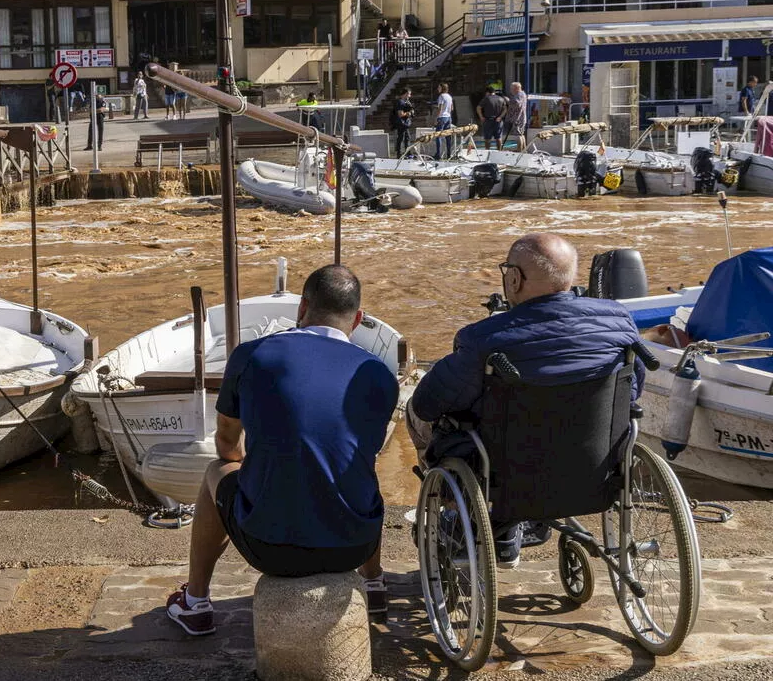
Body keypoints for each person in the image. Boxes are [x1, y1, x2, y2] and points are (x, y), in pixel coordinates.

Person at [165, 265, 399, 636]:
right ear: (357, 319)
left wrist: (260, 475)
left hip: (271, 549)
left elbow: (227, 443)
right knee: (359, 469)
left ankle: (195, 603)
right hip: (355, 544)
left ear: (302, 307)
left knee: (215, 471)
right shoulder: (380, 374)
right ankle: (373, 584)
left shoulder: (252, 355)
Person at [406, 233, 644, 568]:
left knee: (419, 415)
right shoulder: (617, 320)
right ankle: (507, 530)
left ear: (514, 278)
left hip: (507, 475)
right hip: (593, 469)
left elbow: (429, 402)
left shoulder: (484, 338)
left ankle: (460, 514)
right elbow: (632, 391)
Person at [477, 85, 506, 150]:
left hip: (488, 120)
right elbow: (505, 109)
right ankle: (499, 151)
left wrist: (481, 117)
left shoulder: (486, 99)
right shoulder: (501, 98)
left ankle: (487, 151)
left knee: (487, 138)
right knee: (498, 138)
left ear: (487, 92)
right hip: (498, 121)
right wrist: (500, 117)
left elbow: (478, 108)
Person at [506, 81, 528, 152]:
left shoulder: (519, 94)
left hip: (518, 118)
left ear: (516, 88)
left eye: (512, 88)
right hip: (521, 117)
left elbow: (517, 104)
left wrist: (508, 101)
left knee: (518, 135)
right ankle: (524, 149)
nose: (511, 90)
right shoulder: (523, 94)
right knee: (521, 134)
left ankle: (520, 149)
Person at [434, 82, 454, 159]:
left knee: (438, 136)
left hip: (442, 117)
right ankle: (449, 154)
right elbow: (452, 108)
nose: (438, 89)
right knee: (448, 136)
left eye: (439, 87)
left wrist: (436, 118)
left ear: (442, 88)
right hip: (448, 117)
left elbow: (440, 109)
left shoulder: (441, 96)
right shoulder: (449, 96)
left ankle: (438, 154)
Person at [392, 88, 414, 157]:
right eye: (409, 94)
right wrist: (408, 113)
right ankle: (399, 153)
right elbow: (400, 114)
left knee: (407, 138)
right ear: (405, 94)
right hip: (401, 123)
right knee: (401, 138)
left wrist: (411, 112)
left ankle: (407, 152)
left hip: (404, 123)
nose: (409, 96)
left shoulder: (406, 102)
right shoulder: (400, 102)